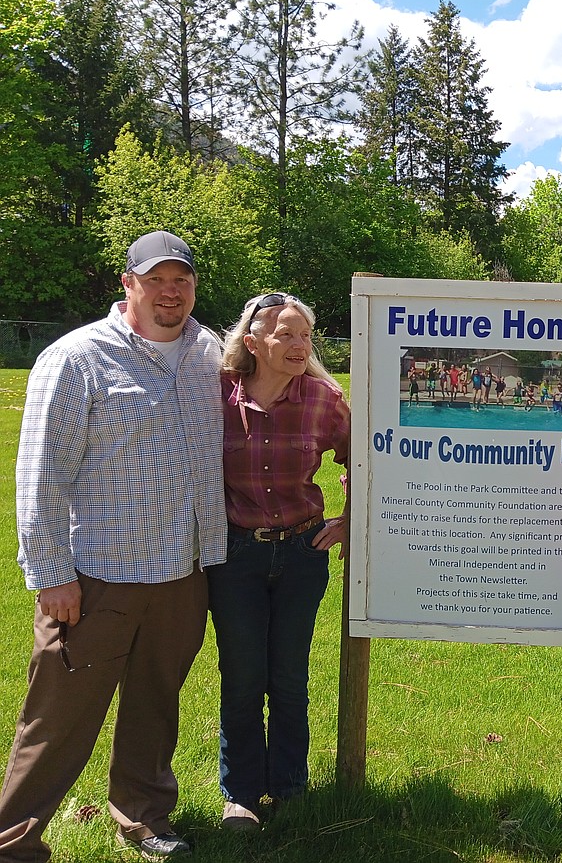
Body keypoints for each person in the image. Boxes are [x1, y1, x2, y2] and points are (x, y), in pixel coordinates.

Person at [0, 230, 226, 862]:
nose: (170, 290)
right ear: (127, 284)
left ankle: (145, 816)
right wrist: (50, 574)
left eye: (181, 279)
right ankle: (13, 839)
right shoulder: (77, 358)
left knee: (156, 704)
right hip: (99, 573)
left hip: (182, 570)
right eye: (156, 279)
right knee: (59, 716)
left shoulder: (207, 352)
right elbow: (42, 473)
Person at [211, 294, 350, 830]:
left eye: (305, 336)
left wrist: (347, 519)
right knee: (243, 678)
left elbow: (363, 457)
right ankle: (241, 795)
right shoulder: (216, 396)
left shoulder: (323, 398)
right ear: (253, 343)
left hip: (302, 551)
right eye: (285, 335)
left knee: (290, 678)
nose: (299, 346)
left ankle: (290, 788)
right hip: (234, 555)